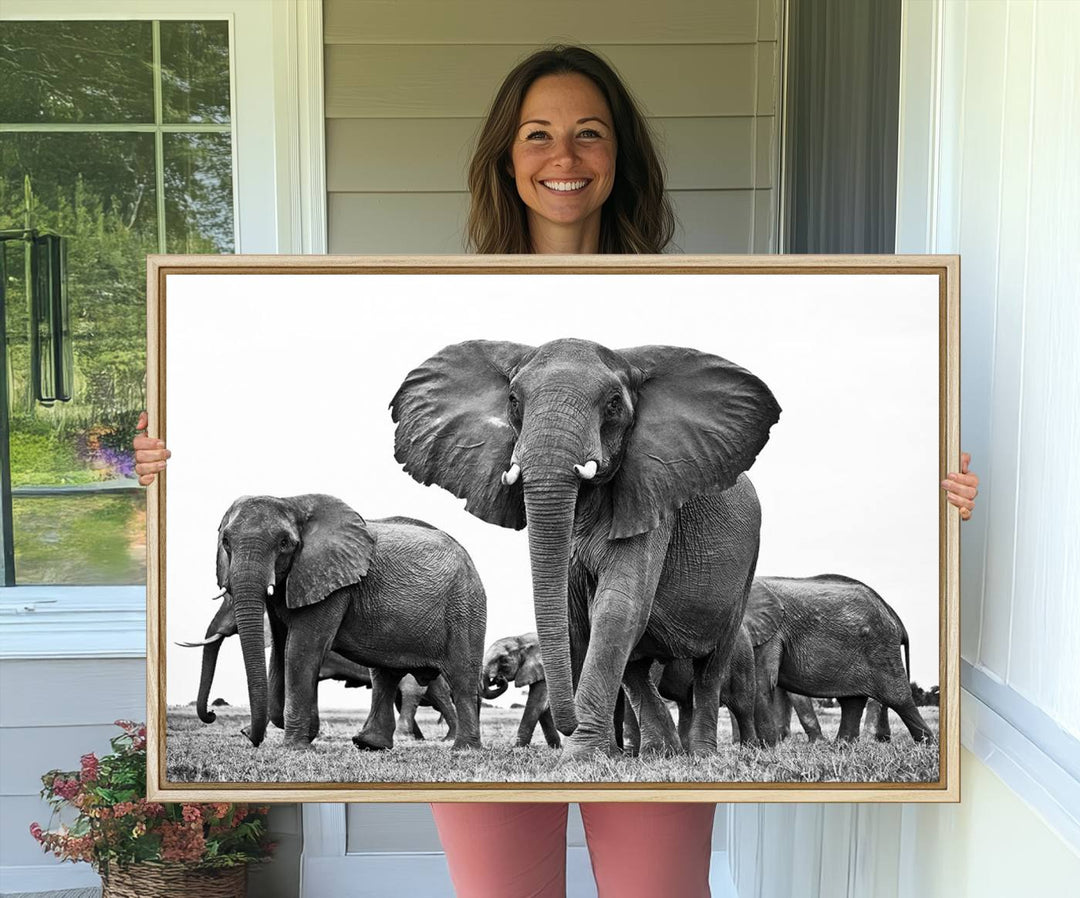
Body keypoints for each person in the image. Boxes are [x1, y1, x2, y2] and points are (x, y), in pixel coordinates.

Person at [134, 45, 979, 898]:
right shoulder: (439, 295)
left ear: (621, 157)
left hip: (665, 587)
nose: (563, 157)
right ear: (507, 156)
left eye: (590, 134)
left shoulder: (693, 300)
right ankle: (583, 728)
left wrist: (947, 498)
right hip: (562, 555)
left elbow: (623, 596)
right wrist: (159, 470)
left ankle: (603, 732)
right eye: (537, 135)